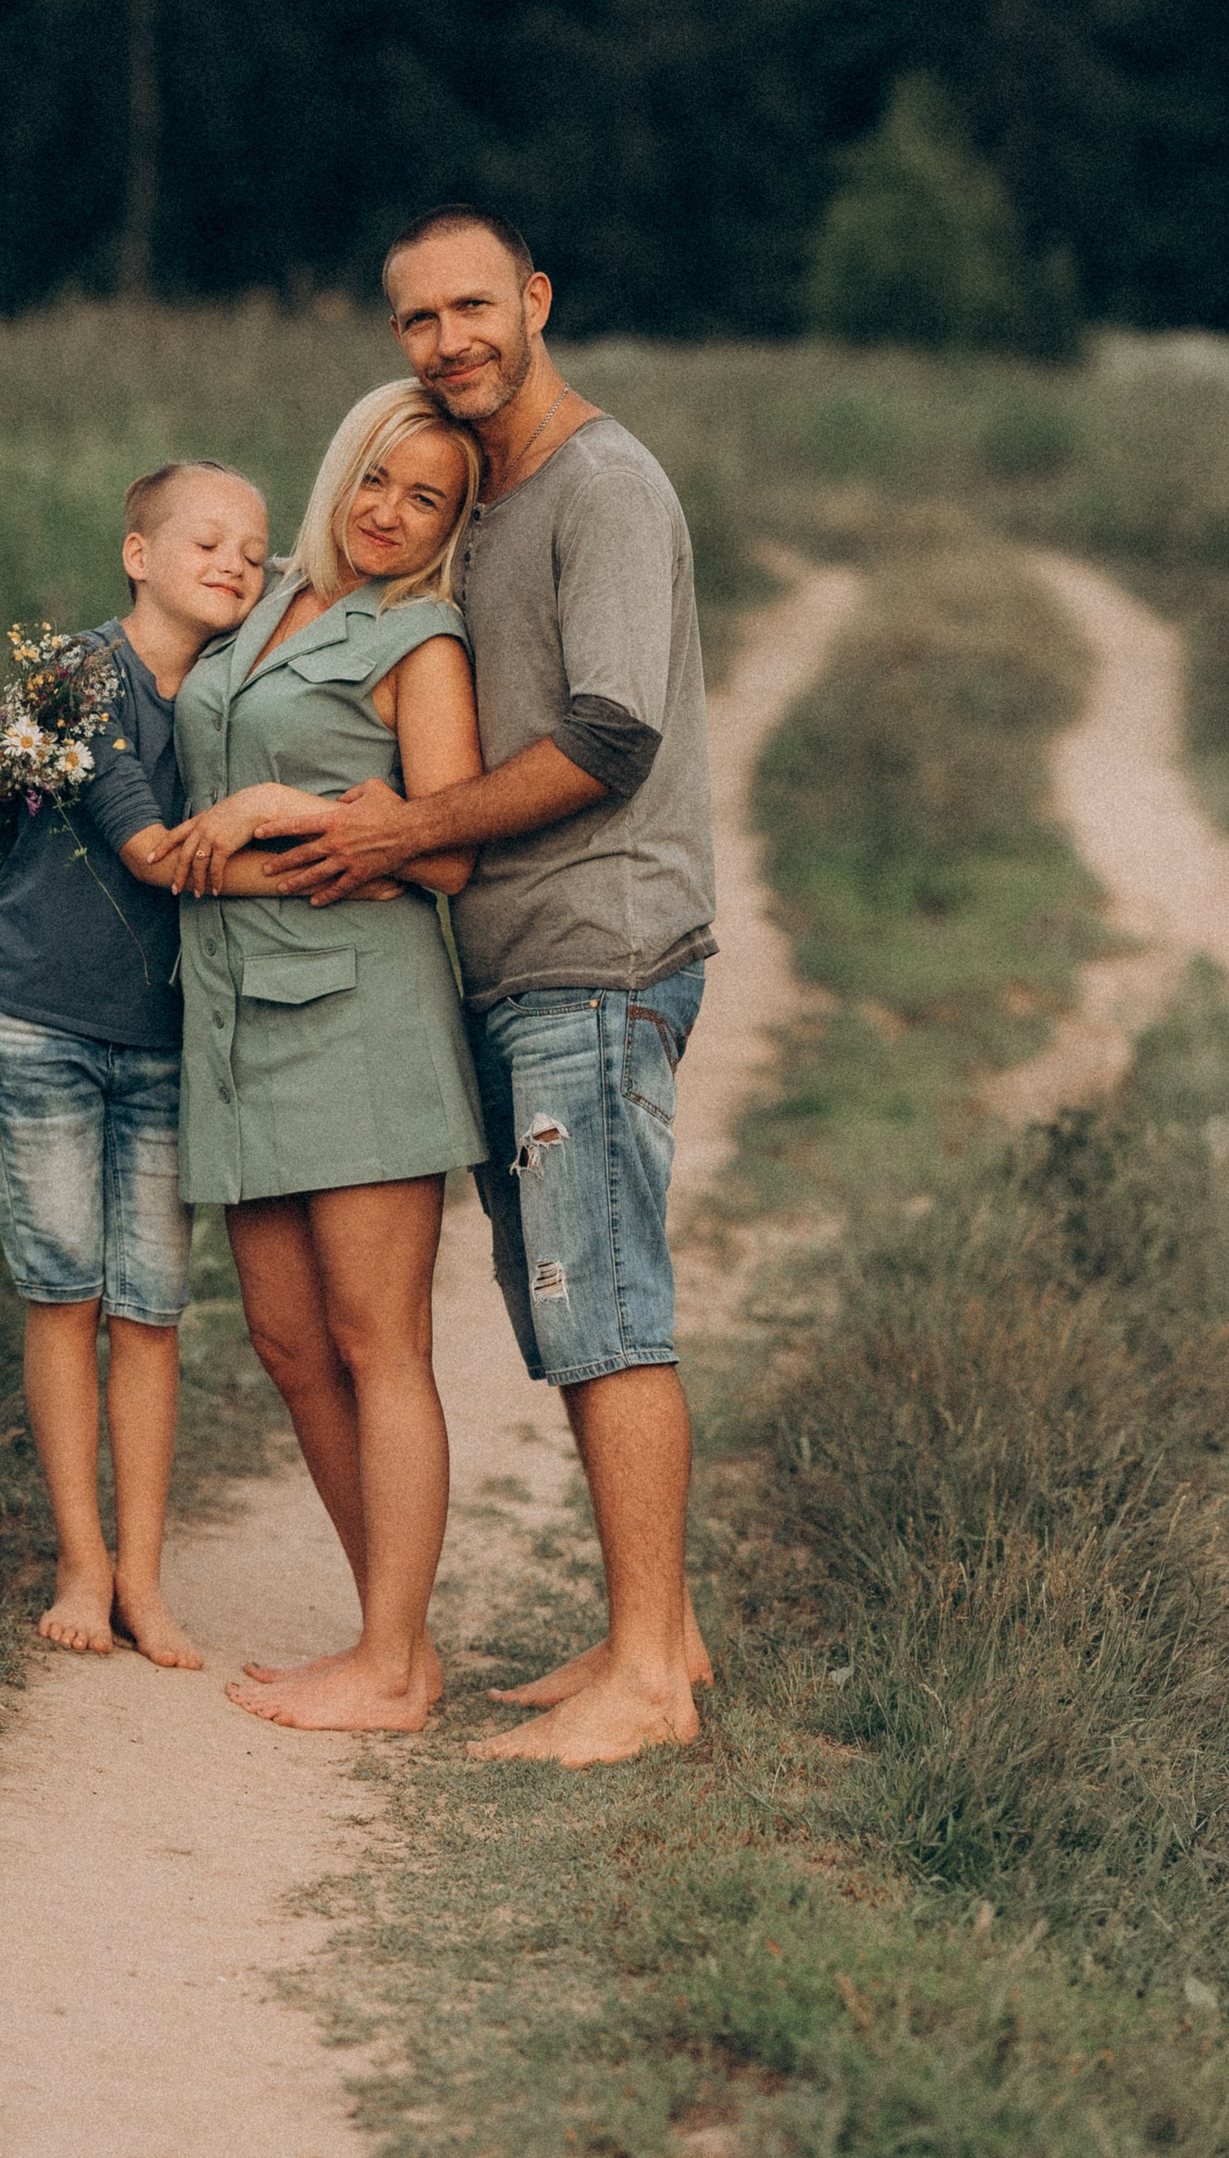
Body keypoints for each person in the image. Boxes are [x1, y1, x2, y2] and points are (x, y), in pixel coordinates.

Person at [268, 208, 717, 1766]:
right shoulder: (491, 494)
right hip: (514, 964)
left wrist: (406, 828)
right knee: (566, 1305)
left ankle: (648, 1687)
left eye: (474, 306)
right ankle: (651, 1633)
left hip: (600, 946)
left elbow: (609, 738)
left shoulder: (602, 482)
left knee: (605, 1307)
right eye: (416, 321)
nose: (449, 340)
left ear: (535, 299)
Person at [148, 382, 487, 1732]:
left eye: (431, 500)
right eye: (380, 481)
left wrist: (279, 808)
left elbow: (449, 846)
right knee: (291, 1348)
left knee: (377, 1341)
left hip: (359, 1014)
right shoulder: (264, 594)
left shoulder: (424, 638)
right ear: (340, 468)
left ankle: (391, 1668)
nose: (394, 515)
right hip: (232, 1018)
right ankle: (394, 1637)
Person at [0, 458, 270, 1671]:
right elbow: (150, 850)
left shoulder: (242, 694)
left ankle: (144, 1577)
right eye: (205, 541)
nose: (234, 564)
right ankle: (80, 1563)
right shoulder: (82, 673)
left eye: (254, 550)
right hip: (44, 1016)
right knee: (68, 1291)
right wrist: (357, 861)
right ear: (136, 554)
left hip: (164, 1033)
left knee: (151, 1307)